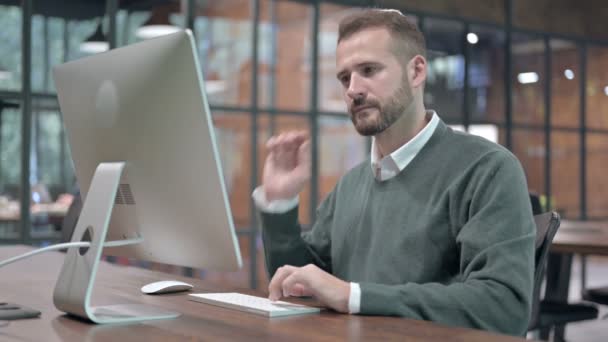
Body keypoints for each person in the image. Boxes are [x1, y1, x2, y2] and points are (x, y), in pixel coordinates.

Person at [252, 8, 535, 336]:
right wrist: (280, 202)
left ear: (416, 72)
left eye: (369, 70)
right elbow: (296, 285)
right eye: (345, 77)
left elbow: (504, 307)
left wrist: (354, 296)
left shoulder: (487, 169)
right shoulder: (351, 185)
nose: (352, 90)